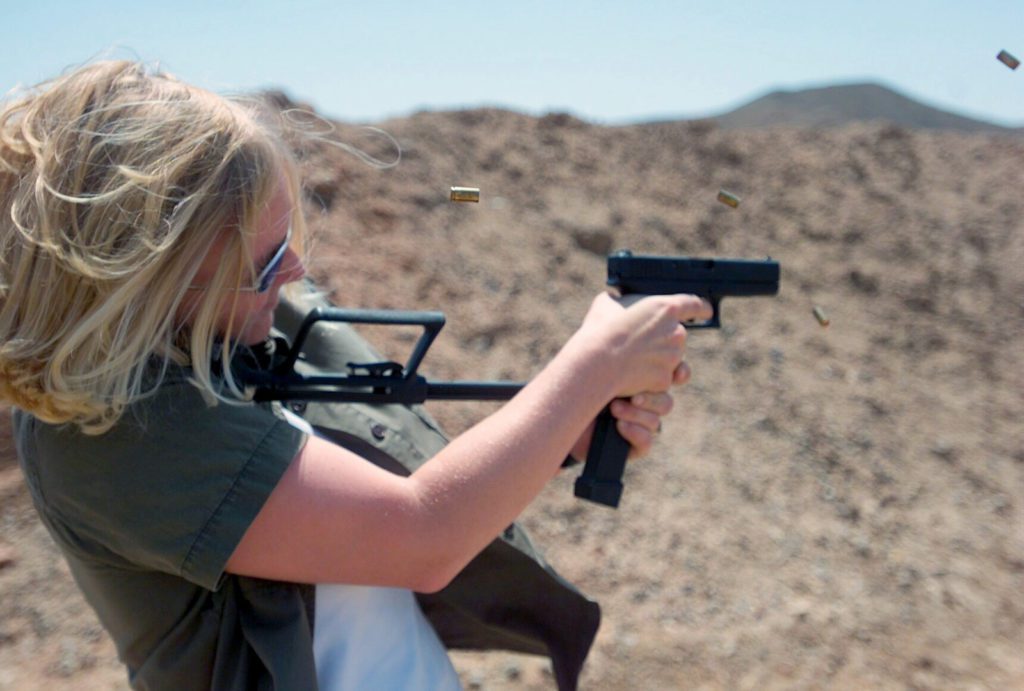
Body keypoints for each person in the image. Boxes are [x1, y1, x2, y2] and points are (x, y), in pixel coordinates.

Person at [0, 59, 712, 690]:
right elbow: (422, 533)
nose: (294, 272)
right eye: (264, 260)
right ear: (146, 275)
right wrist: (593, 363)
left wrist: (567, 429)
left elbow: (382, 478)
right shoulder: (113, 430)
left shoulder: (217, 333)